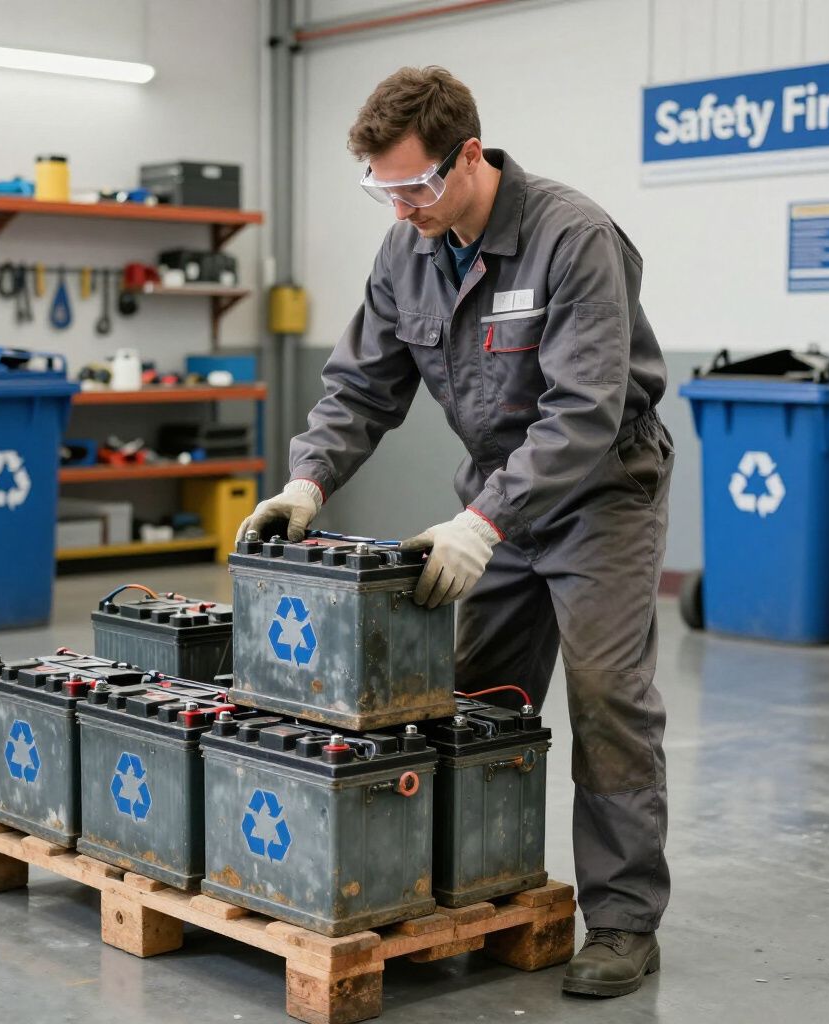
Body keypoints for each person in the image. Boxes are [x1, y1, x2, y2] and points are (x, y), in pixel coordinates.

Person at [237, 66, 673, 998]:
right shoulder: (406, 253)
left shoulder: (572, 236)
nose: (400, 208)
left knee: (607, 700)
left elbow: (586, 412)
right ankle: (475, 891)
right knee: (476, 701)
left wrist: (482, 522)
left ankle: (626, 922)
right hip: (496, 504)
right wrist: (307, 483)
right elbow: (361, 387)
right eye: (382, 189)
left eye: (415, 185)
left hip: (603, 496)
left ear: (468, 155)